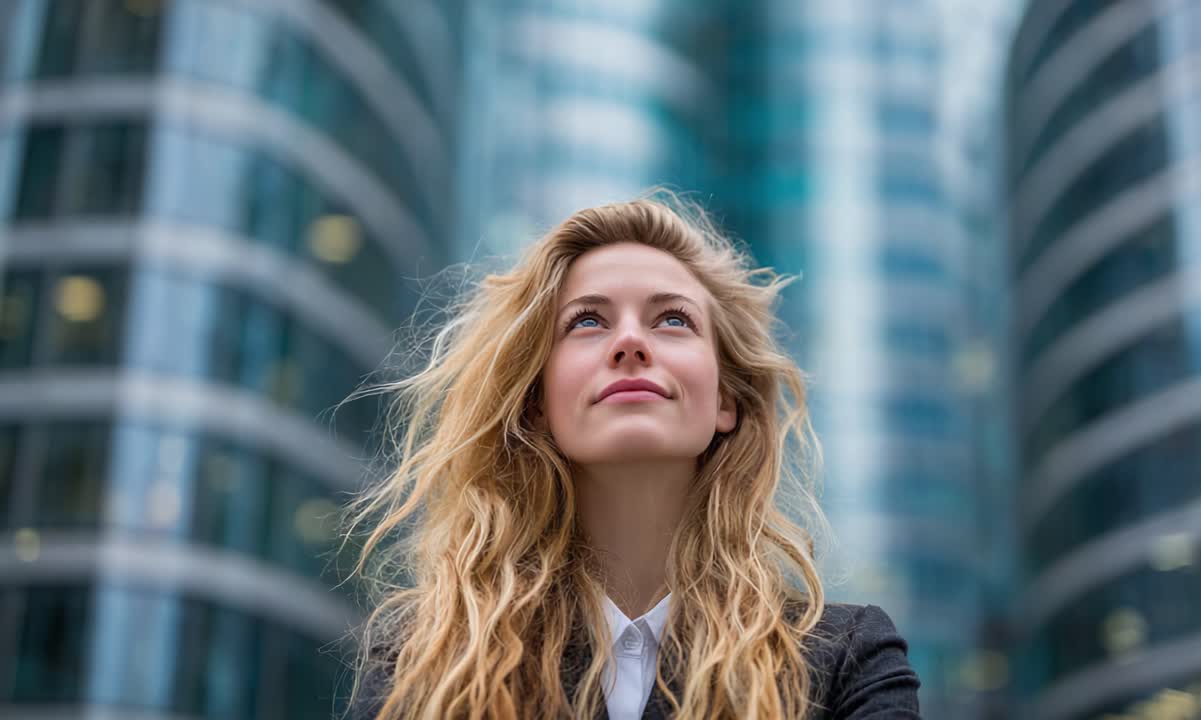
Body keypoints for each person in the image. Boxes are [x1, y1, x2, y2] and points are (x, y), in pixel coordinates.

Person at [340, 192, 921, 719]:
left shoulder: (850, 659)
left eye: (673, 319)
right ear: (538, 403)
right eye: (587, 321)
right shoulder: (422, 660)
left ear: (727, 400)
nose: (630, 342)